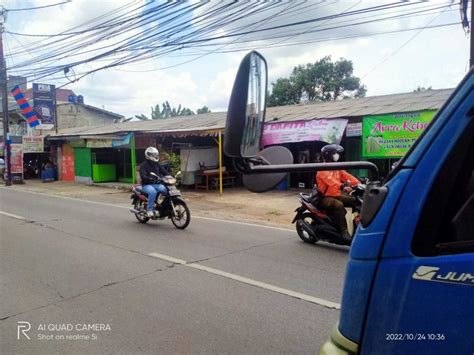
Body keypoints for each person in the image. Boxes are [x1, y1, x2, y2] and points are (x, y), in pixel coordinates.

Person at [316, 144, 360, 242]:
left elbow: (347, 176)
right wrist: (343, 186)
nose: (337, 155)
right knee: (338, 205)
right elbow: (331, 181)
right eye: (335, 153)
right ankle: (343, 231)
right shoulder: (322, 169)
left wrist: (359, 183)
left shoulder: (336, 167)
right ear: (328, 155)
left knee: (356, 200)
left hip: (335, 194)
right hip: (324, 197)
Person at [139, 147, 169, 218]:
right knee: (153, 192)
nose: (155, 156)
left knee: (165, 189)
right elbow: (143, 176)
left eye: (156, 155)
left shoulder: (157, 164)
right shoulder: (143, 165)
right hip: (146, 185)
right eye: (153, 155)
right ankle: (149, 209)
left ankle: (160, 204)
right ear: (148, 155)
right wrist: (149, 178)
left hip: (157, 184)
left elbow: (164, 172)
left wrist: (170, 176)